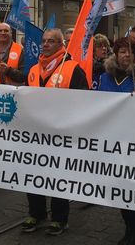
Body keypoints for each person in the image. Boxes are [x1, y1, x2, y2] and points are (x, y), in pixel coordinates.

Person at [22, 28, 88, 235]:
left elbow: (84, 100)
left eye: (51, 41)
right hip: (36, 133)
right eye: (44, 41)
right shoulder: (33, 69)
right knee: (33, 174)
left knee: (58, 177)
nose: (46, 44)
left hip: (61, 134)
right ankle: (37, 213)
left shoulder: (72, 68)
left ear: (61, 45)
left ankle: (60, 218)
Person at [96, 37, 135, 245]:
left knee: (133, 189)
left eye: (129, 51)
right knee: (120, 189)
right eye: (121, 51)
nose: (125, 55)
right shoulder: (106, 76)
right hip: (112, 141)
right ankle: (129, 228)